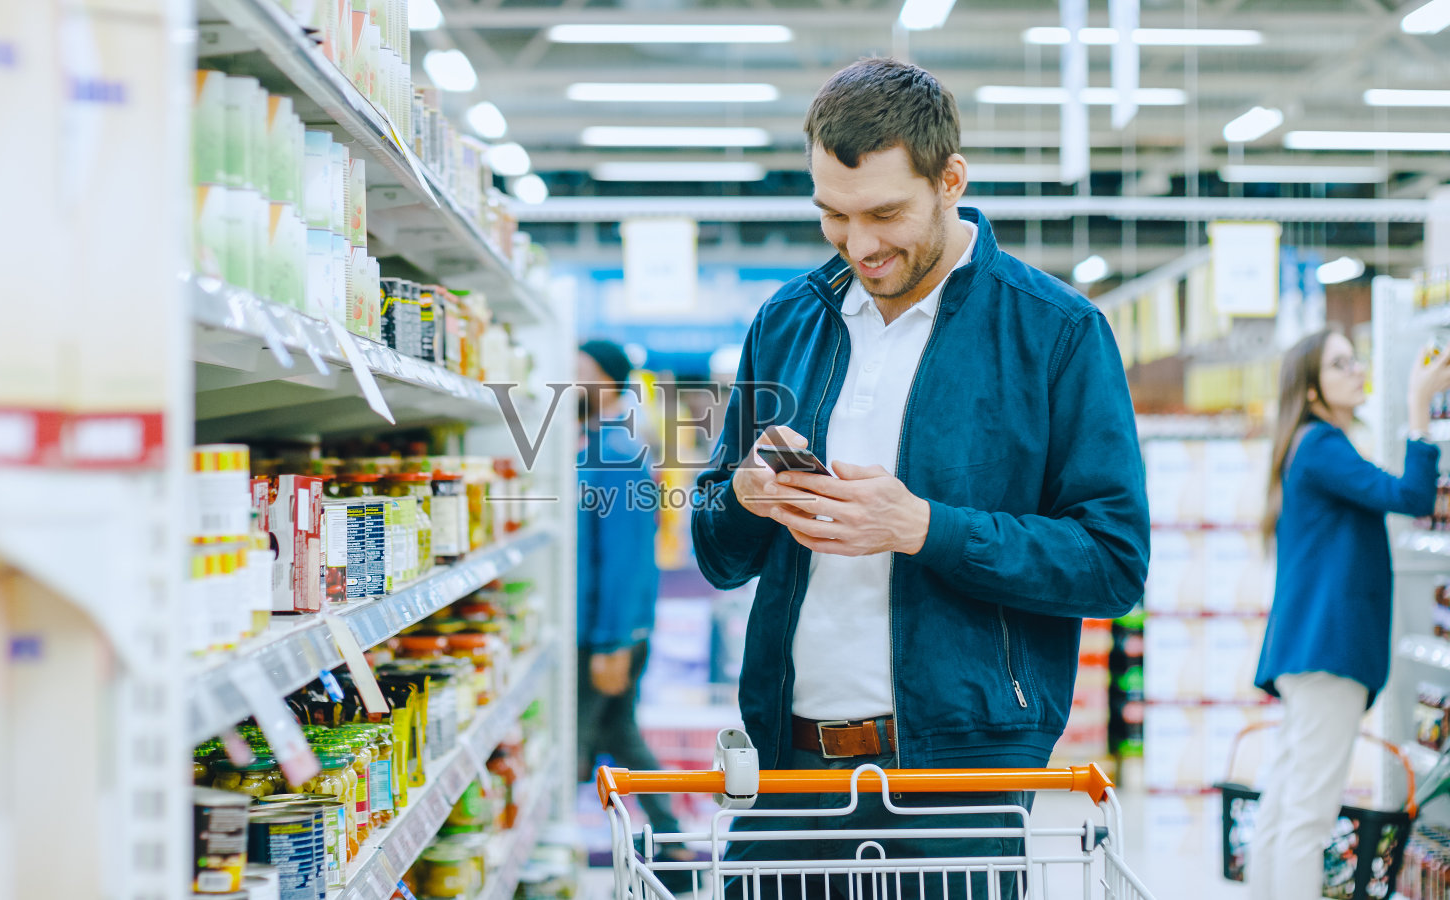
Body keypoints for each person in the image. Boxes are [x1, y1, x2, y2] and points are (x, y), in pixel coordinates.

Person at [689, 57, 1151, 898]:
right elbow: (719, 552)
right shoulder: (788, 322)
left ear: (951, 181)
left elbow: (1112, 562)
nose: (860, 244)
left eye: (884, 213)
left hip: (962, 776)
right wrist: (749, 499)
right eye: (832, 214)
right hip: (791, 769)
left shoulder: (1056, 332)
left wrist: (923, 528)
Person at [1250, 329, 1450, 900]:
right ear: (1312, 390)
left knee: (1286, 804)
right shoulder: (1321, 445)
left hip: (1308, 655)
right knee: (1307, 817)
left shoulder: (1306, 445)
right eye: (1340, 364)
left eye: (1353, 359)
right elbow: (1411, 496)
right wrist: (1420, 405)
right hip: (1328, 655)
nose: (1356, 369)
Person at [574, 339, 684, 846]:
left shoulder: (616, 454)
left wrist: (613, 643)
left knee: (581, 743)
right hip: (598, 631)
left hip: (606, 634)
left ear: (607, 383)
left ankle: (667, 840)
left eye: (581, 372)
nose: (570, 381)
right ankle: (673, 842)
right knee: (618, 735)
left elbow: (625, 562)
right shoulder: (588, 449)